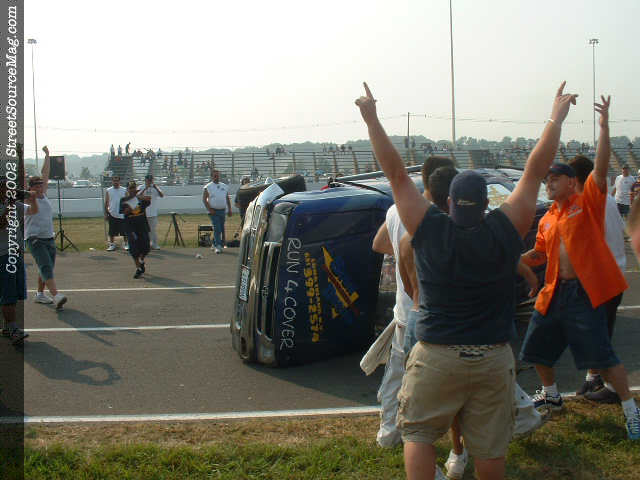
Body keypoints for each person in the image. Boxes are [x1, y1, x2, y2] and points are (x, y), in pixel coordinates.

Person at [356, 81, 578, 480]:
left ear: (447, 202)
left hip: (437, 353)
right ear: (488, 202)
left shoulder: (429, 228)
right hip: (492, 355)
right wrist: (555, 118)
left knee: (419, 435)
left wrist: (371, 119)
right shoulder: (505, 228)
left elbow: (395, 173)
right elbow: (534, 170)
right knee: (490, 448)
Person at [519, 96, 639, 441]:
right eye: (547, 180)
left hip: (584, 293)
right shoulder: (547, 218)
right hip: (554, 291)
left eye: (555, 179)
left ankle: (632, 411)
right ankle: (552, 396)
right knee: (536, 348)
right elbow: (539, 254)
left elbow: (599, 170)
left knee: (601, 357)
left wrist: (604, 128)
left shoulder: (586, 204)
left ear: (572, 182)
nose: (549, 184)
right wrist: (514, 260)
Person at [367, 156, 454, 450]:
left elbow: (378, 244)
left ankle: (389, 434)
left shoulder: (397, 209)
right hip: (431, 310)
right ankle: (520, 417)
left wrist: (403, 254)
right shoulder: (440, 217)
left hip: (405, 309)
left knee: (397, 377)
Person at [568, 156, 626, 402]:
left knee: (597, 335)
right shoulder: (606, 200)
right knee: (598, 333)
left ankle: (614, 389)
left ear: (574, 180)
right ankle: (594, 377)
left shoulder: (590, 202)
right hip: (613, 273)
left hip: (603, 277)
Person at [25, 146, 68, 310]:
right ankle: (56, 296)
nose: (40, 188)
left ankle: (40, 294)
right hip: (34, 238)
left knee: (46, 268)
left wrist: (48, 156)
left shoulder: (44, 196)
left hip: (49, 238)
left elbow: (46, 173)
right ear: (30, 187)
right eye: (36, 186)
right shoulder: (28, 199)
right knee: (45, 267)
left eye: (41, 185)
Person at [0, 177, 38, 344]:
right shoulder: (10, 205)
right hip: (3, 256)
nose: (9, 190)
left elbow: (33, 211)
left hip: (16, 254)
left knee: (14, 293)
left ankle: (7, 327)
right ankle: (13, 328)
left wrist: (32, 197)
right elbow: (1, 224)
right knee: (8, 294)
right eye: (5, 187)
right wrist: (10, 205)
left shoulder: (14, 204)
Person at [120, 181, 151, 278]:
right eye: (130, 188)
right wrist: (132, 204)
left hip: (142, 225)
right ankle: (138, 269)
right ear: (127, 190)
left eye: (134, 187)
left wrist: (139, 197)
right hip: (131, 227)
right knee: (134, 249)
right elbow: (124, 212)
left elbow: (148, 200)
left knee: (146, 248)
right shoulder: (123, 200)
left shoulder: (140, 198)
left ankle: (141, 261)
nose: (132, 190)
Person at [202, 170, 232, 254]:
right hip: (213, 211)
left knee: (221, 228)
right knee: (217, 228)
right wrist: (209, 209)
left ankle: (214, 244)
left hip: (222, 210)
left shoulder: (224, 186)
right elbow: (204, 199)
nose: (217, 177)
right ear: (211, 177)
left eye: (218, 176)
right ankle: (218, 246)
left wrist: (229, 209)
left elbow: (227, 198)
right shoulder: (208, 187)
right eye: (215, 176)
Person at [138, 174, 164, 250]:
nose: (149, 182)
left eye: (151, 180)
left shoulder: (155, 188)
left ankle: (154, 244)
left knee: (152, 230)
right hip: (143, 213)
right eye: (148, 180)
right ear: (145, 180)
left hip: (152, 213)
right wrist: (145, 189)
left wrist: (156, 187)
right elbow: (137, 196)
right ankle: (144, 244)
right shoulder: (141, 187)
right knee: (142, 230)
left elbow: (162, 195)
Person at [104, 175, 128, 251]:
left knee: (124, 231)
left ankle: (126, 244)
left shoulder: (124, 190)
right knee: (112, 231)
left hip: (122, 214)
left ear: (119, 181)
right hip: (112, 213)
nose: (115, 182)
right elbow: (106, 202)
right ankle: (112, 244)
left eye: (117, 180)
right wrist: (106, 214)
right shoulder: (109, 190)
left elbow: (127, 201)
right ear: (112, 181)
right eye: (114, 181)